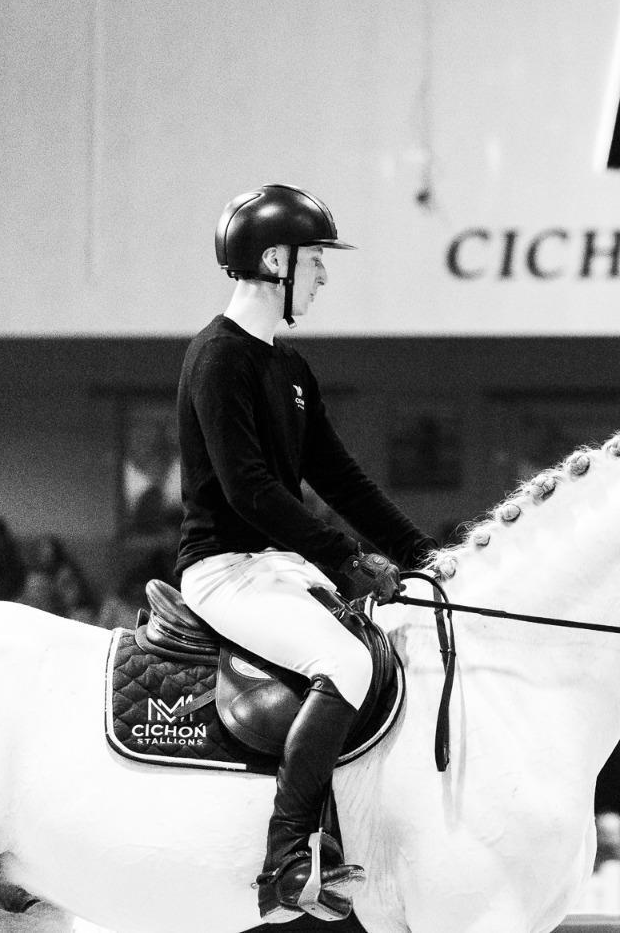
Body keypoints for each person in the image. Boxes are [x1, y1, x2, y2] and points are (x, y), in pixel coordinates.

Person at [175, 184, 438, 922]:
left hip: (276, 567)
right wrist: (346, 558)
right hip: (222, 569)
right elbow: (249, 490)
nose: (323, 275)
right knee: (346, 661)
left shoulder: (290, 370)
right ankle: (288, 856)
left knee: (391, 644)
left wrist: (420, 552)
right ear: (273, 262)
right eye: (314, 260)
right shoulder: (216, 358)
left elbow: (340, 477)